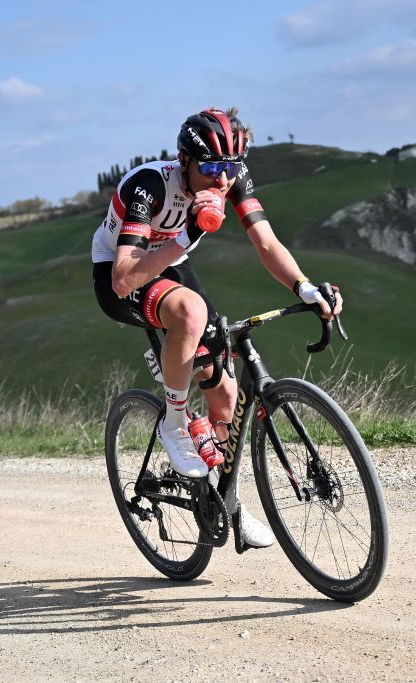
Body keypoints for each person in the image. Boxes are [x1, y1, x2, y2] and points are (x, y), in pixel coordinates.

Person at [91, 107, 343, 549]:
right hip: (119, 273)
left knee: (226, 394)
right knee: (189, 312)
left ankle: (227, 503)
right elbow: (125, 277)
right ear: (184, 160)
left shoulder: (229, 179)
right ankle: (173, 423)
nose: (222, 180)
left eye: (231, 168)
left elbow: (266, 243)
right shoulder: (148, 186)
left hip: (171, 265)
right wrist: (185, 234)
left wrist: (304, 288)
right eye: (211, 168)